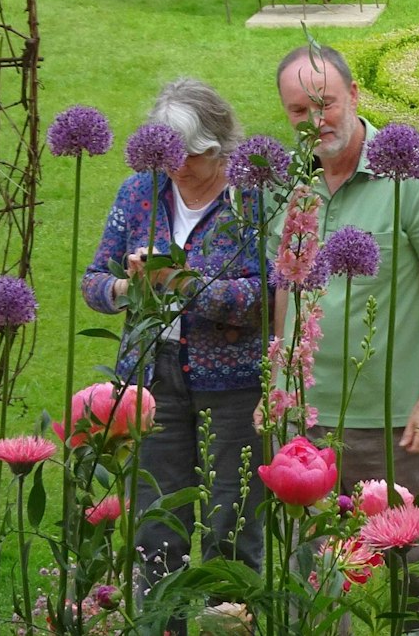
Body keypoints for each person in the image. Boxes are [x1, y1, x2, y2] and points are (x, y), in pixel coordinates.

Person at [272, 44, 419, 621]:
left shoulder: (414, 179)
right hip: (308, 428)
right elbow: (287, 286)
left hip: (397, 429)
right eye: (298, 112)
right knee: (313, 590)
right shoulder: (295, 186)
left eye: (326, 104)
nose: (315, 121)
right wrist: (281, 386)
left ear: (355, 95)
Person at [84, 78, 264, 593]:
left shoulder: (248, 199)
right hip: (151, 378)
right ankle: (162, 624)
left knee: (232, 524)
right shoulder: (139, 191)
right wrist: (127, 287)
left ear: (219, 146)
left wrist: (181, 284)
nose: (180, 166)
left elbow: (260, 299)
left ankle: (231, 623)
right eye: (170, 155)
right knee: (157, 524)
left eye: (193, 155)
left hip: (232, 382)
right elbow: (93, 283)